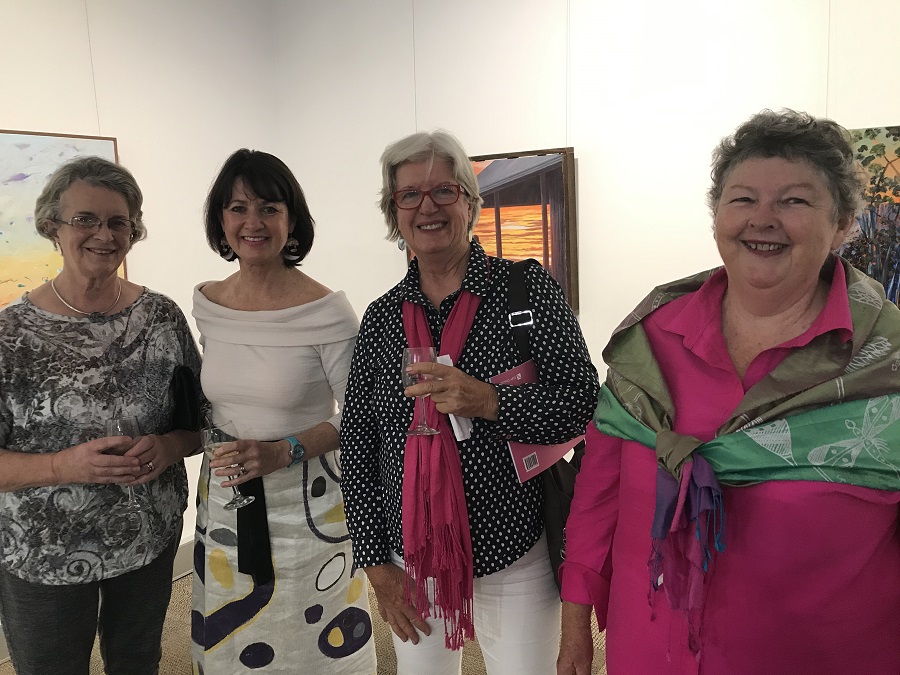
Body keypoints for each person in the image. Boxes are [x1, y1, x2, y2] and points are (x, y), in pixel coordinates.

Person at [558, 109, 900, 675]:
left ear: (842, 224)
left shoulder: (886, 365)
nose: (762, 219)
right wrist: (574, 629)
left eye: (794, 200)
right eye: (742, 199)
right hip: (648, 652)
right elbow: (598, 497)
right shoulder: (649, 341)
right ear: (717, 215)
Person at [340, 130, 599, 675]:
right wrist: (375, 566)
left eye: (444, 190)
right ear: (394, 212)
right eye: (409, 194)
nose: (427, 207)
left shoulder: (525, 289)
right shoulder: (382, 318)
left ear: (469, 201)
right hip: (412, 555)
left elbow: (582, 404)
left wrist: (490, 401)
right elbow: (358, 443)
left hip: (515, 547)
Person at [0, 156, 202, 675]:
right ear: (53, 226)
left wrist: (170, 446)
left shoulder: (161, 317)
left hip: (148, 538)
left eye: (118, 222)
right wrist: (61, 466)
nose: (104, 234)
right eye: (85, 219)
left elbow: (201, 420)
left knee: (138, 662)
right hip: (43, 551)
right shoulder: (9, 336)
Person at [191, 149, 376, 674]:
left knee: (308, 639)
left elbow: (360, 417)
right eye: (238, 208)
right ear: (221, 219)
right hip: (225, 500)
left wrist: (284, 450)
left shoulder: (326, 311)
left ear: (291, 220)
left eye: (269, 208)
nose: (252, 222)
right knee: (232, 638)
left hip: (307, 504)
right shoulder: (209, 304)